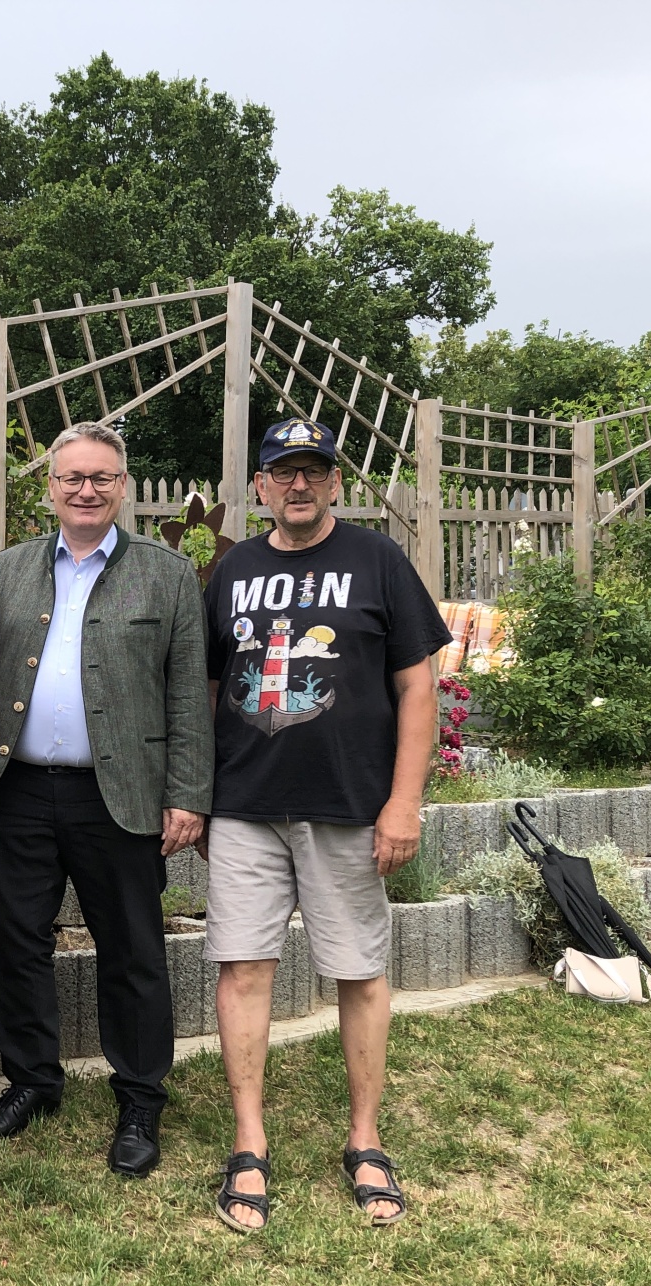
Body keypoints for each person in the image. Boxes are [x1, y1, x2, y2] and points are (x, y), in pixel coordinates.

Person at [200, 417, 451, 1233]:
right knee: (243, 969)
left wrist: (403, 802)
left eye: (314, 470)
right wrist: (199, 793)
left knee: (358, 970)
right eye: (284, 472)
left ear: (337, 481)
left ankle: (365, 1139)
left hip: (348, 806)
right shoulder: (234, 569)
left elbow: (418, 686)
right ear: (261, 486)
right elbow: (209, 687)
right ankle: (249, 1142)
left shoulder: (378, 560)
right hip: (245, 805)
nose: (299, 485)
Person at [0, 420, 211, 1177]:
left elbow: (187, 696)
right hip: (15, 791)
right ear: (50, 487)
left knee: (132, 950)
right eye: (72, 477)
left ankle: (139, 1098)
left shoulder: (167, 575)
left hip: (122, 794)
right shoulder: (8, 569)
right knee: (15, 942)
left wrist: (187, 793)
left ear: (123, 488)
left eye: (101, 477)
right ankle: (32, 1083)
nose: (86, 490)